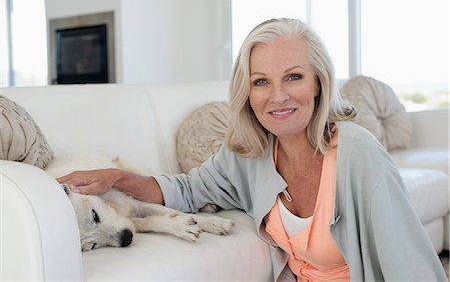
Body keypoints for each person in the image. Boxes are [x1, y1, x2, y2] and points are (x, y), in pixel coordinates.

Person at [57, 18, 447, 281]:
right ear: (247, 92)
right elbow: (187, 191)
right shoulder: (249, 153)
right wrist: (119, 178)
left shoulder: (358, 155)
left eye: (293, 77)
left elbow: (413, 269)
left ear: (318, 83)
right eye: (261, 82)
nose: (277, 97)